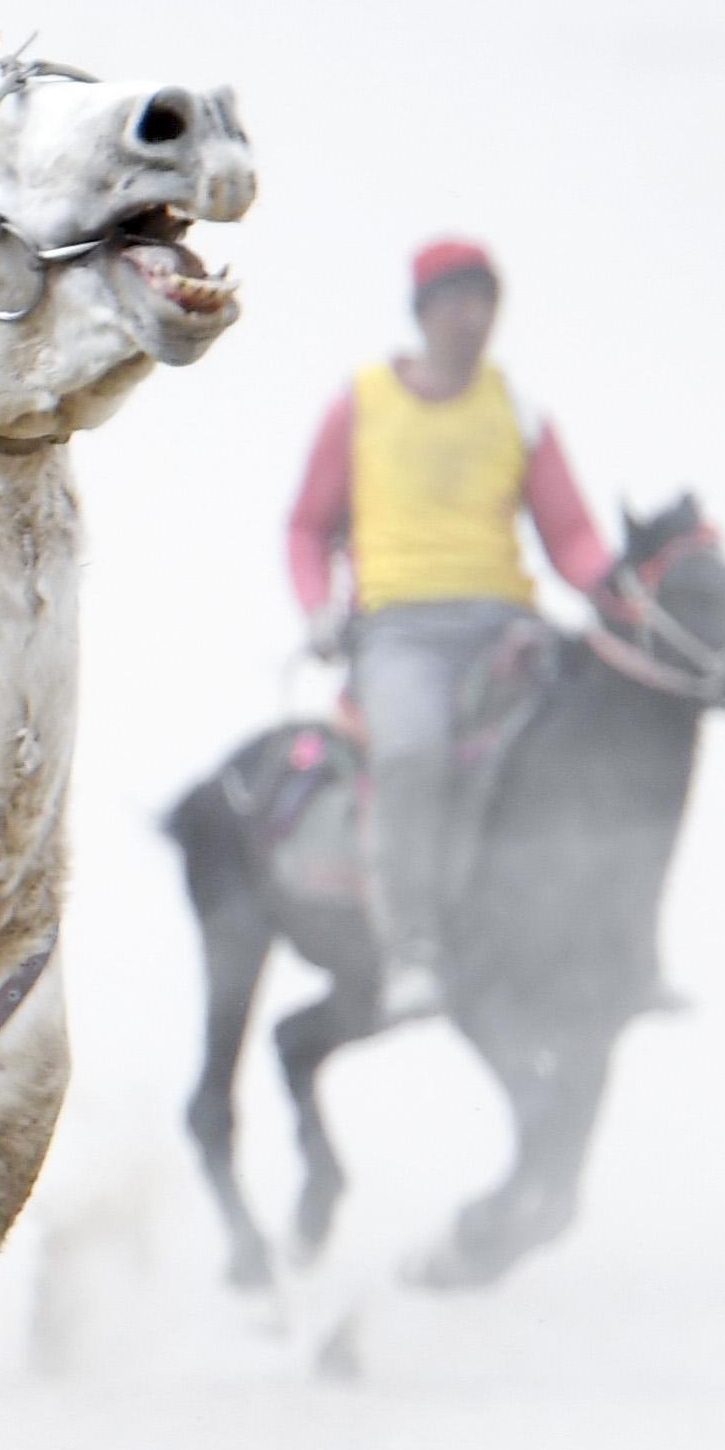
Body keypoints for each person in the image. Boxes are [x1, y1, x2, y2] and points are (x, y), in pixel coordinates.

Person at [284, 237, 612, 1021]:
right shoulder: (360, 405)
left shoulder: (518, 412)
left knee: (597, 740)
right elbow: (306, 527)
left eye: (483, 301)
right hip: (401, 632)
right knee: (409, 754)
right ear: (422, 312)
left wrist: (615, 588)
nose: (472, 318)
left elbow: (569, 536)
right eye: (455, 300)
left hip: (505, 624)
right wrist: (318, 609)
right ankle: (411, 949)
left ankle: (613, 940)